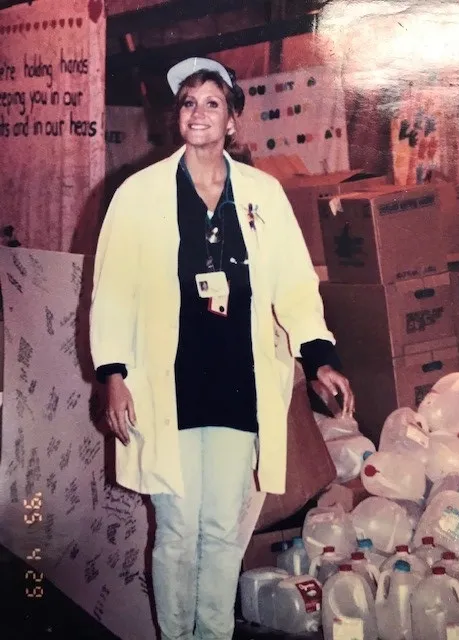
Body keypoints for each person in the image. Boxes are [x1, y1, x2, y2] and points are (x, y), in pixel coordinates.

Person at [90, 57, 354, 640]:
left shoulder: (263, 194)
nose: (199, 112)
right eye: (188, 102)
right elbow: (112, 291)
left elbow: (294, 284)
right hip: (169, 386)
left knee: (221, 532)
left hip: (238, 384)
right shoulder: (139, 194)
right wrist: (113, 373)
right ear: (177, 117)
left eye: (212, 102)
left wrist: (319, 357)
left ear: (232, 119)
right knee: (177, 530)